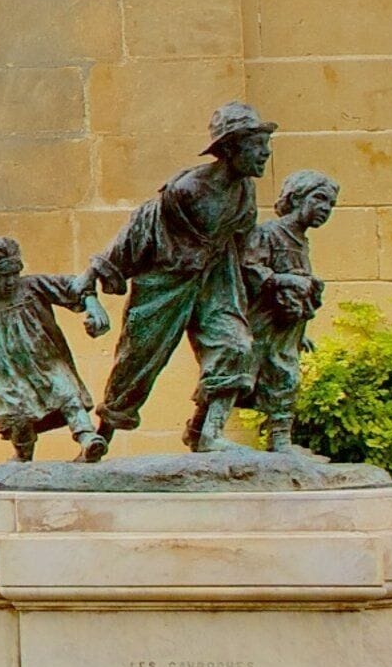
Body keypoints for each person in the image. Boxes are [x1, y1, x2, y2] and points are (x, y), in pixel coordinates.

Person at [89, 102, 274, 455]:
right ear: (231, 147)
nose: (265, 153)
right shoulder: (185, 190)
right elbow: (140, 228)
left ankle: (206, 432)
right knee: (138, 361)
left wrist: (265, 281)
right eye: (257, 145)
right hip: (167, 282)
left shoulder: (246, 190)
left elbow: (245, 244)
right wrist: (97, 272)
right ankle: (100, 437)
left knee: (234, 345)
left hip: (216, 278)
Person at [0, 233, 110, 460]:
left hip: (46, 361)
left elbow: (70, 286)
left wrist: (91, 304)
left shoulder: (33, 287)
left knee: (67, 393)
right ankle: (22, 455)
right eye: (2, 276)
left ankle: (87, 437)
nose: (10, 281)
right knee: (17, 416)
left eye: (13, 274)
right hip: (7, 375)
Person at [237, 169, 337, 455]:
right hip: (260, 325)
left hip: (286, 329)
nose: (325, 209)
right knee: (238, 379)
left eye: (330, 204)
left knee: (286, 378)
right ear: (295, 197)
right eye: (319, 199)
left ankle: (280, 441)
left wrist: (300, 333)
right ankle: (201, 430)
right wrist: (286, 280)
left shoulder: (301, 241)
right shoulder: (268, 232)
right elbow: (251, 269)